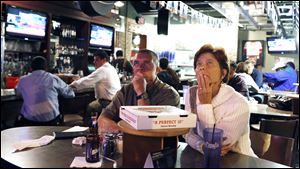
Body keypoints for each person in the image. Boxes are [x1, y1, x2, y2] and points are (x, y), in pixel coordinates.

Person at [183, 44, 256, 157]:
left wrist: (205, 104)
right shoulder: (191, 94)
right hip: (201, 158)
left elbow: (216, 145)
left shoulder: (239, 104)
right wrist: (201, 146)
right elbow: (187, 132)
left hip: (238, 161)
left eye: (209, 63)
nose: (202, 67)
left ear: (223, 73)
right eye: (199, 64)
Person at [97, 49, 180, 133]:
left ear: (157, 69)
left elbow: (147, 128)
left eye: (146, 63)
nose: (140, 67)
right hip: (126, 142)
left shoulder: (169, 94)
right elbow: (103, 119)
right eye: (136, 63)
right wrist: (122, 135)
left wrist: (141, 93)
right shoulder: (126, 90)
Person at [15, 56, 75, 126]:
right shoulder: (53, 78)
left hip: (29, 122)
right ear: (46, 68)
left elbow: (18, 93)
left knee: (17, 118)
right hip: (51, 122)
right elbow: (70, 94)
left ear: (31, 68)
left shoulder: (23, 80)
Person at [70, 50, 121, 125]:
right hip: (115, 101)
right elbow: (93, 81)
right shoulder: (111, 68)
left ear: (103, 60)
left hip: (107, 103)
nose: (94, 62)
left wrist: (72, 84)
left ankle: (89, 128)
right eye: (94, 60)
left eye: (96, 60)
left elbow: (87, 80)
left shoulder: (103, 69)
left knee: (90, 107)